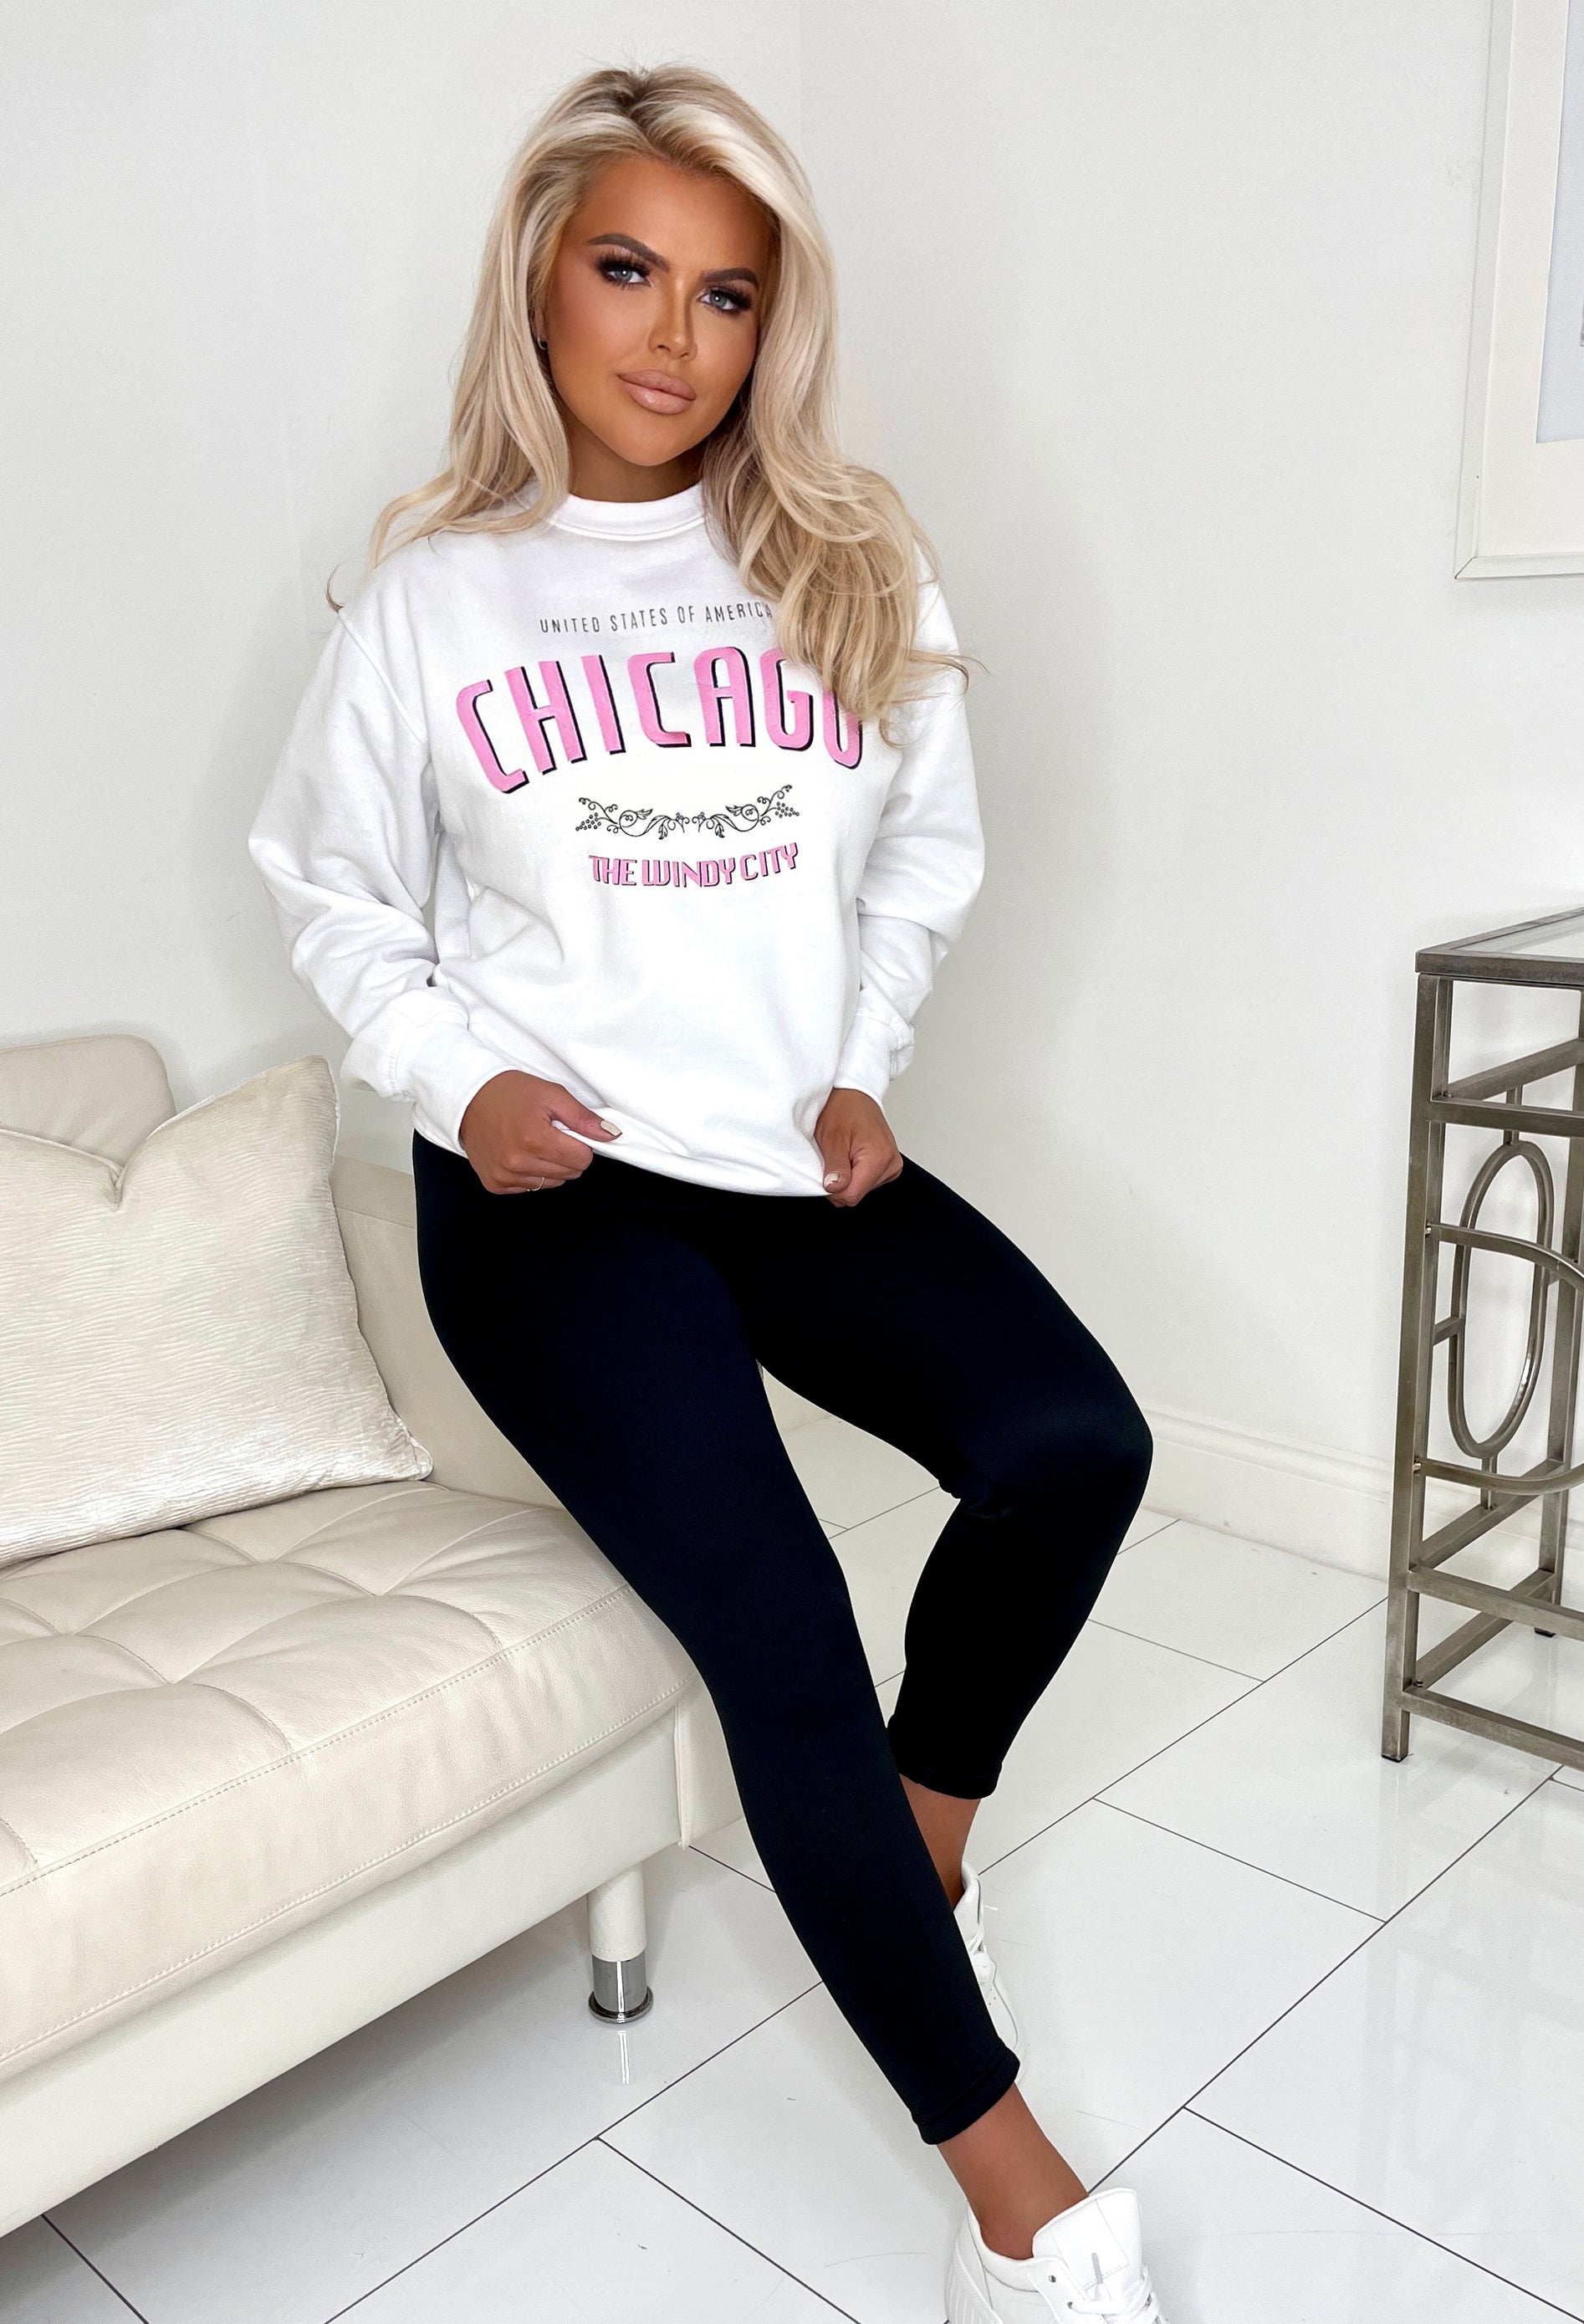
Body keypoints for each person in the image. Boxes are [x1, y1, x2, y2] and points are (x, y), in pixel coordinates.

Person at [248, 60, 1163, 2324]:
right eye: (627, 270)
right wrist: (461, 1082)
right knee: (777, 1614)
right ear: (539, 283)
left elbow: (926, 848)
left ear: (775, 324)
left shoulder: (847, 559)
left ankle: (917, 1840)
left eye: (727, 293)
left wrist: (862, 1065)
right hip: (553, 1196)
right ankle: (1017, 2194)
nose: (673, 335)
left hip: (781, 1152)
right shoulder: (434, 593)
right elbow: (332, 890)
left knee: (1076, 1443)